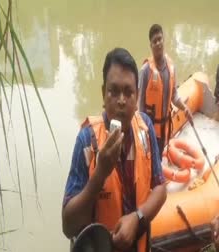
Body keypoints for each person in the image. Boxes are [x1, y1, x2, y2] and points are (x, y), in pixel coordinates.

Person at [62, 48, 167, 252]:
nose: (121, 100)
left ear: (137, 97)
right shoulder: (86, 141)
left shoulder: (145, 128)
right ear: (103, 94)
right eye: (114, 91)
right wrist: (100, 173)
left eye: (128, 92)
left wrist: (137, 218)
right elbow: (68, 226)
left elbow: (160, 188)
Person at [138, 24, 193, 157]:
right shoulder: (145, 71)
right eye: (154, 41)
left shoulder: (171, 68)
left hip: (165, 128)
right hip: (150, 129)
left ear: (164, 39)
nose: (158, 43)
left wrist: (184, 107)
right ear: (151, 46)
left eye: (159, 39)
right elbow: (140, 106)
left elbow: (174, 96)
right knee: (150, 161)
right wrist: (143, 130)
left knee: (159, 157)